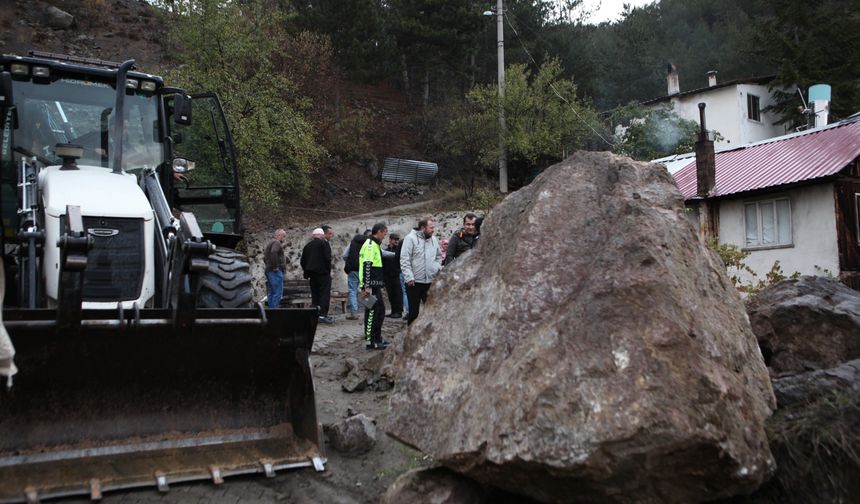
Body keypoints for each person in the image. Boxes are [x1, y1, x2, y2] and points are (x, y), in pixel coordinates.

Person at [400, 216, 442, 325]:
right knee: (414, 313)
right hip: (414, 283)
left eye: (433, 227)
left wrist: (436, 268)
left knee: (432, 311)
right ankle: (411, 337)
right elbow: (404, 259)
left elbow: (439, 257)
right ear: (423, 228)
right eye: (431, 227)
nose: (433, 230)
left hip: (430, 282)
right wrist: (409, 277)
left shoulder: (434, 240)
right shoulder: (410, 239)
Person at [360, 223, 388, 350]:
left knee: (380, 310)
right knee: (373, 312)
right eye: (384, 233)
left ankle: (377, 337)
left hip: (374, 285)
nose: (385, 236)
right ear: (379, 232)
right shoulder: (370, 245)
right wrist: (367, 286)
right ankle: (372, 341)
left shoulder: (375, 245)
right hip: (370, 286)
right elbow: (367, 265)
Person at [301, 227, 334, 324]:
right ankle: (322, 315)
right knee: (324, 294)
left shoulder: (307, 246)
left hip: (312, 274)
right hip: (323, 274)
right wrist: (327, 271)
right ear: (321, 235)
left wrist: (307, 271)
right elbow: (327, 259)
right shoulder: (324, 244)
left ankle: (315, 313)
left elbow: (303, 261)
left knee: (315, 295)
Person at [342, 229, 371, 320]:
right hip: (366, 269)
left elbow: (345, 255)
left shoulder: (353, 242)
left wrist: (351, 261)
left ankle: (354, 313)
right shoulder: (369, 244)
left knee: (353, 290)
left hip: (353, 269)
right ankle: (371, 310)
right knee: (366, 289)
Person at [263, 228, 287, 308]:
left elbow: (265, 258)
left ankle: (270, 312)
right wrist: (275, 266)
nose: (284, 238)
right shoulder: (276, 242)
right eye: (284, 236)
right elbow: (274, 252)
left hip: (269, 270)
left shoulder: (271, 243)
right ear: (278, 235)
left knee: (272, 292)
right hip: (275, 271)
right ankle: (273, 312)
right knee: (278, 292)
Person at [382, 233, 403, 318]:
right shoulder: (385, 251)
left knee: (397, 294)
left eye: (397, 239)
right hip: (387, 276)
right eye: (395, 239)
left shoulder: (399, 250)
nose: (396, 241)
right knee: (390, 295)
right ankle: (393, 311)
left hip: (396, 275)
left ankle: (398, 312)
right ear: (390, 240)